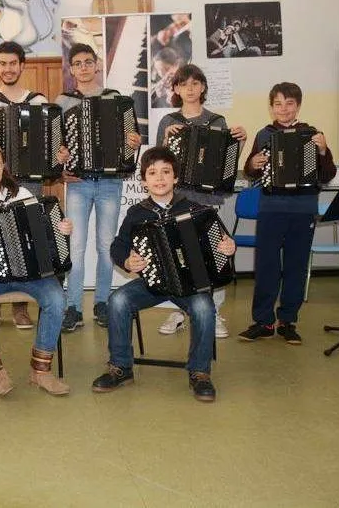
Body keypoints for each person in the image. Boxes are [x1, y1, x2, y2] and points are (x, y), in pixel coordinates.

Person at [92, 147, 236, 402]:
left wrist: (228, 246)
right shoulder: (137, 213)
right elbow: (118, 246)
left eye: (166, 172)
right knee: (118, 301)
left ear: (176, 178)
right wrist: (127, 260)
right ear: (144, 181)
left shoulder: (195, 209)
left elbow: (221, 243)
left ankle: (200, 372)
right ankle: (121, 366)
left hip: (191, 285)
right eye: (153, 173)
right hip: (153, 284)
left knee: (204, 308)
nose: (159, 179)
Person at [0, 141, 73, 397]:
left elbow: (46, 232)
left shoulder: (22, 195)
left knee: (56, 298)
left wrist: (61, 229)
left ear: (3, 167)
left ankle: (40, 371)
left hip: (30, 271)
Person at [0, 41, 67, 332]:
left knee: (26, 238)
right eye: (3, 63)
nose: (8, 68)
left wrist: (57, 156)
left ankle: (22, 306)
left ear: (22, 65)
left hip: (30, 182)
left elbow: (53, 140)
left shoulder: (37, 100)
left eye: (13, 63)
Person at [153, 64, 248, 339]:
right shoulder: (168, 121)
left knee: (213, 257)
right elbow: (159, 165)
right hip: (177, 200)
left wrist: (240, 142)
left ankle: (214, 313)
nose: (190, 89)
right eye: (184, 84)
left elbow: (225, 164)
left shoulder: (217, 121)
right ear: (176, 89)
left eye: (196, 84)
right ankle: (180, 311)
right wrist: (166, 140)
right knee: (178, 257)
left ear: (203, 87)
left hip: (209, 199)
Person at [239, 82, 336, 344]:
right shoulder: (264, 134)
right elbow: (250, 171)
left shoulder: (313, 134)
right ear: (271, 108)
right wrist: (254, 163)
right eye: (278, 104)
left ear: (298, 106)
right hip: (271, 208)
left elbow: (327, 175)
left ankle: (288, 321)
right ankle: (263, 321)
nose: (284, 109)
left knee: (296, 265)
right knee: (266, 265)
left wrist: (324, 151)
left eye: (289, 103)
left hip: (303, 208)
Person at [55, 43, 142, 333]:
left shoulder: (115, 99)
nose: (83, 67)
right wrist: (63, 161)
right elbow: (58, 144)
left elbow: (130, 137)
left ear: (96, 65)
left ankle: (102, 302)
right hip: (78, 183)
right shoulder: (64, 101)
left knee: (106, 246)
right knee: (76, 247)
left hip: (109, 181)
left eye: (88, 62)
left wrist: (132, 143)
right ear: (71, 68)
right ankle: (73, 307)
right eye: (77, 63)